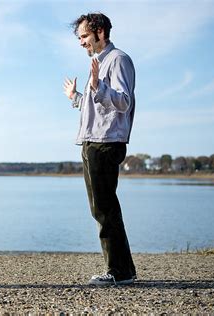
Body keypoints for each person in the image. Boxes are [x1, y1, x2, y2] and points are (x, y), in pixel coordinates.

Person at [63, 12, 137, 285]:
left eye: (84, 36)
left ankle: (119, 272)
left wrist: (99, 86)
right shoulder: (99, 63)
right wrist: (76, 97)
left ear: (101, 32)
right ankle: (124, 270)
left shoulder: (118, 60)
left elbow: (123, 102)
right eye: (80, 37)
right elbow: (97, 105)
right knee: (102, 207)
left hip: (105, 144)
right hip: (93, 141)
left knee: (104, 208)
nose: (81, 42)